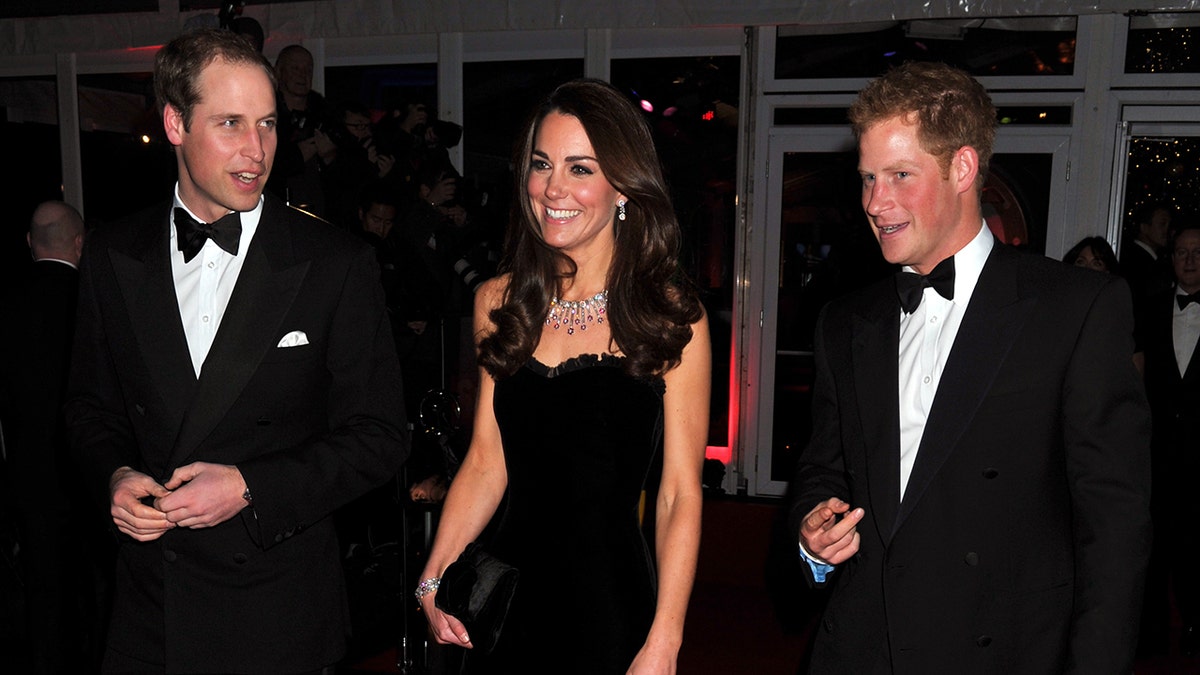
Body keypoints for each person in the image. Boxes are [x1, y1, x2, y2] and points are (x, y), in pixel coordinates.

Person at [788, 61, 1151, 674]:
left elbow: (1114, 532)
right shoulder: (845, 322)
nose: (876, 202)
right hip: (863, 650)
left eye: (900, 175)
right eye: (868, 178)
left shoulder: (1075, 308)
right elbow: (824, 468)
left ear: (962, 168)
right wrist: (812, 533)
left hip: (1002, 651)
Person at [64, 28, 408, 673]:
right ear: (174, 123)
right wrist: (113, 474)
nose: (257, 152)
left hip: (276, 614)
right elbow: (89, 407)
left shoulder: (333, 263)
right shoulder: (114, 253)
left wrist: (252, 486)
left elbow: (380, 437)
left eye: (269, 124)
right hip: (149, 614)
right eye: (230, 124)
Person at [416, 78, 710, 674]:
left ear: (623, 186)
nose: (554, 188)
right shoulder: (498, 302)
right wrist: (433, 575)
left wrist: (665, 639)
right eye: (542, 164)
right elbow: (484, 461)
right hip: (503, 599)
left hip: (610, 605)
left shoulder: (670, 315)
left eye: (581, 169)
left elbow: (679, 494)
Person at [0, 200, 90, 673]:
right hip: (91, 475)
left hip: (30, 479)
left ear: (30, 244)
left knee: (44, 599)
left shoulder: (6, 303)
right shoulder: (94, 302)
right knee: (96, 593)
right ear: (80, 244)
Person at [1140, 224, 1200, 658]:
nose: (1190, 260)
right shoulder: (1149, 309)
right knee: (1153, 551)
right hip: (1155, 458)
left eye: (1198, 252)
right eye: (1182, 251)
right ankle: (1153, 639)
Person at [266, 43, 335, 217]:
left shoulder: (327, 116)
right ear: (279, 72)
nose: (303, 75)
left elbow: (350, 177)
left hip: (322, 220)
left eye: (308, 69)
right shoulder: (264, 116)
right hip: (277, 216)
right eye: (295, 68)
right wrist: (297, 157)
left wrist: (330, 157)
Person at [1121, 202, 1174, 303]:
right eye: (1162, 224)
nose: (1167, 230)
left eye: (1169, 225)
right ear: (1144, 228)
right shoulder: (1137, 262)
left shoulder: (1152, 260)